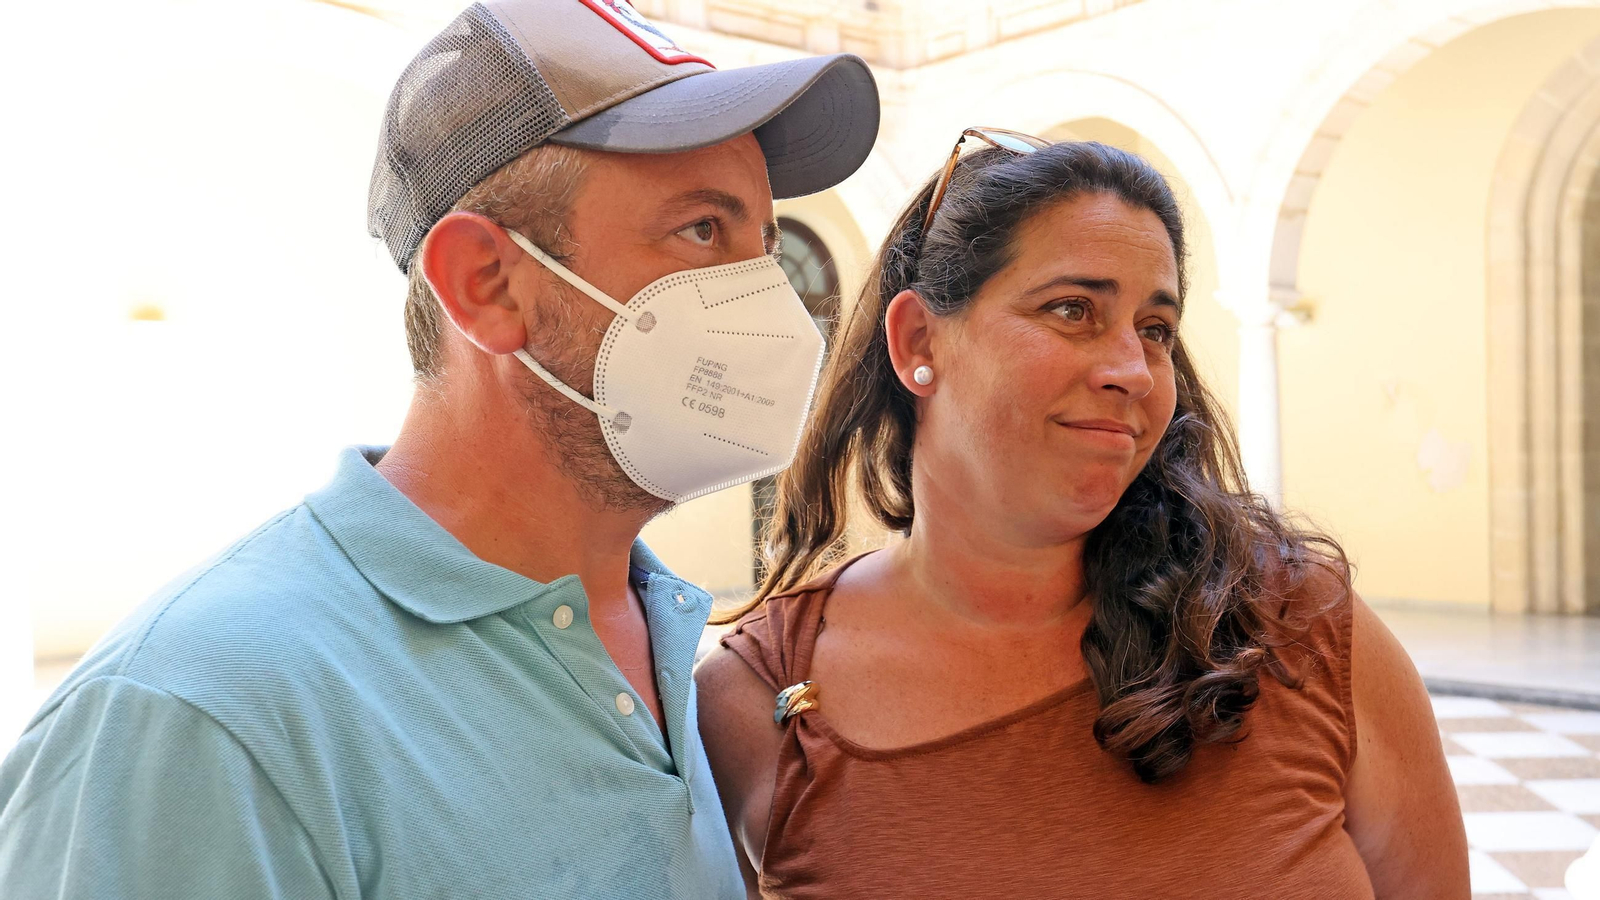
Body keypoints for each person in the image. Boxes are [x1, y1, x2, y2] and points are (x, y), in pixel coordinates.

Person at [0, 1, 879, 897]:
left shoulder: (674, 641)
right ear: (484, 283)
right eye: (701, 230)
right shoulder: (200, 719)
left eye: (764, 245)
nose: (770, 299)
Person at [695, 132, 1469, 899]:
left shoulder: (1300, 628)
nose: (1134, 370)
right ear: (918, 340)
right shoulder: (756, 700)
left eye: (1155, 329)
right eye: (1073, 310)